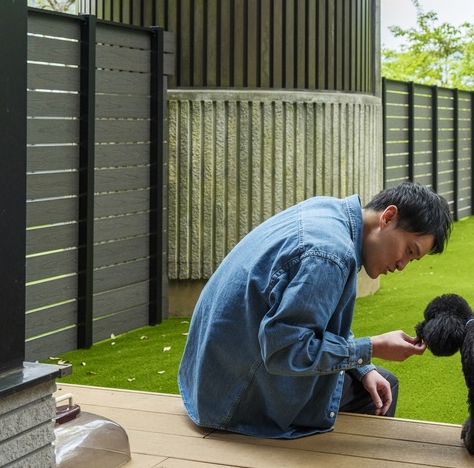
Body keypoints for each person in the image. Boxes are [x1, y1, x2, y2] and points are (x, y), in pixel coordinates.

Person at [178, 181, 452, 439]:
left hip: (210, 377)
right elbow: (285, 351)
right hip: (234, 397)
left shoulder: (330, 213)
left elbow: (313, 322)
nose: (402, 265)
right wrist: (372, 347)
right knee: (382, 390)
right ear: (388, 217)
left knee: (377, 380)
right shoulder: (330, 255)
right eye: (409, 250)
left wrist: (362, 366)